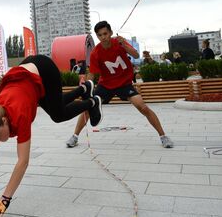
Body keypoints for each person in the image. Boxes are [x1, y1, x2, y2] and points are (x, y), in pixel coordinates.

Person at [0, 55, 102, 217]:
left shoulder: (19, 115)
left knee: (58, 115)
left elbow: (22, 161)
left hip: (44, 69)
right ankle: (84, 89)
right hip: (25, 76)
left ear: (4, 121)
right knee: (55, 107)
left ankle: (93, 102)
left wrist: (5, 198)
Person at [66, 21, 173, 149]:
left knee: (142, 107)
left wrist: (125, 46)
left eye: (105, 33)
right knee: (88, 108)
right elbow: (92, 74)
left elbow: (136, 55)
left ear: (110, 32)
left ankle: (163, 136)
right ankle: (75, 137)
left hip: (125, 83)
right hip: (105, 85)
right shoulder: (96, 53)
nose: (103, 37)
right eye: (100, 35)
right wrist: (87, 86)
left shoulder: (120, 42)